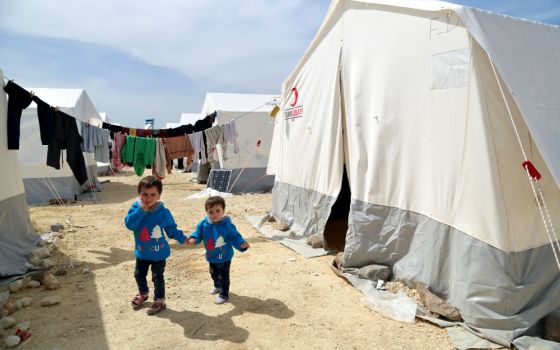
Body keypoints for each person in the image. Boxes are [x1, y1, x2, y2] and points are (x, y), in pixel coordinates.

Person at [124, 176, 187, 314]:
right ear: (139, 194)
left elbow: (171, 230)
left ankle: (159, 300)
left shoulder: (163, 212)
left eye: (153, 194)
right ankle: (143, 293)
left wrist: (183, 239)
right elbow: (130, 224)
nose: (148, 198)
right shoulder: (136, 208)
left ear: (159, 195)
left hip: (159, 252)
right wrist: (140, 211)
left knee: (157, 277)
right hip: (142, 251)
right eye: (144, 194)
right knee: (138, 274)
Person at [187, 196, 250, 304]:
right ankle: (217, 286)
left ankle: (224, 294)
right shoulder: (204, 224)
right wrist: (194, 238)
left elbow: (235, 237)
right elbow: (198, 233)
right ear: (206, 212)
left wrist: (241, 244)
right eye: (211, 212)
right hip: (212, 255)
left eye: (217, 211)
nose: (214, 214)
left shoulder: (227, 225)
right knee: (213, 273)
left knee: (224, 276)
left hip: (225, 255)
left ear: (223, 211)